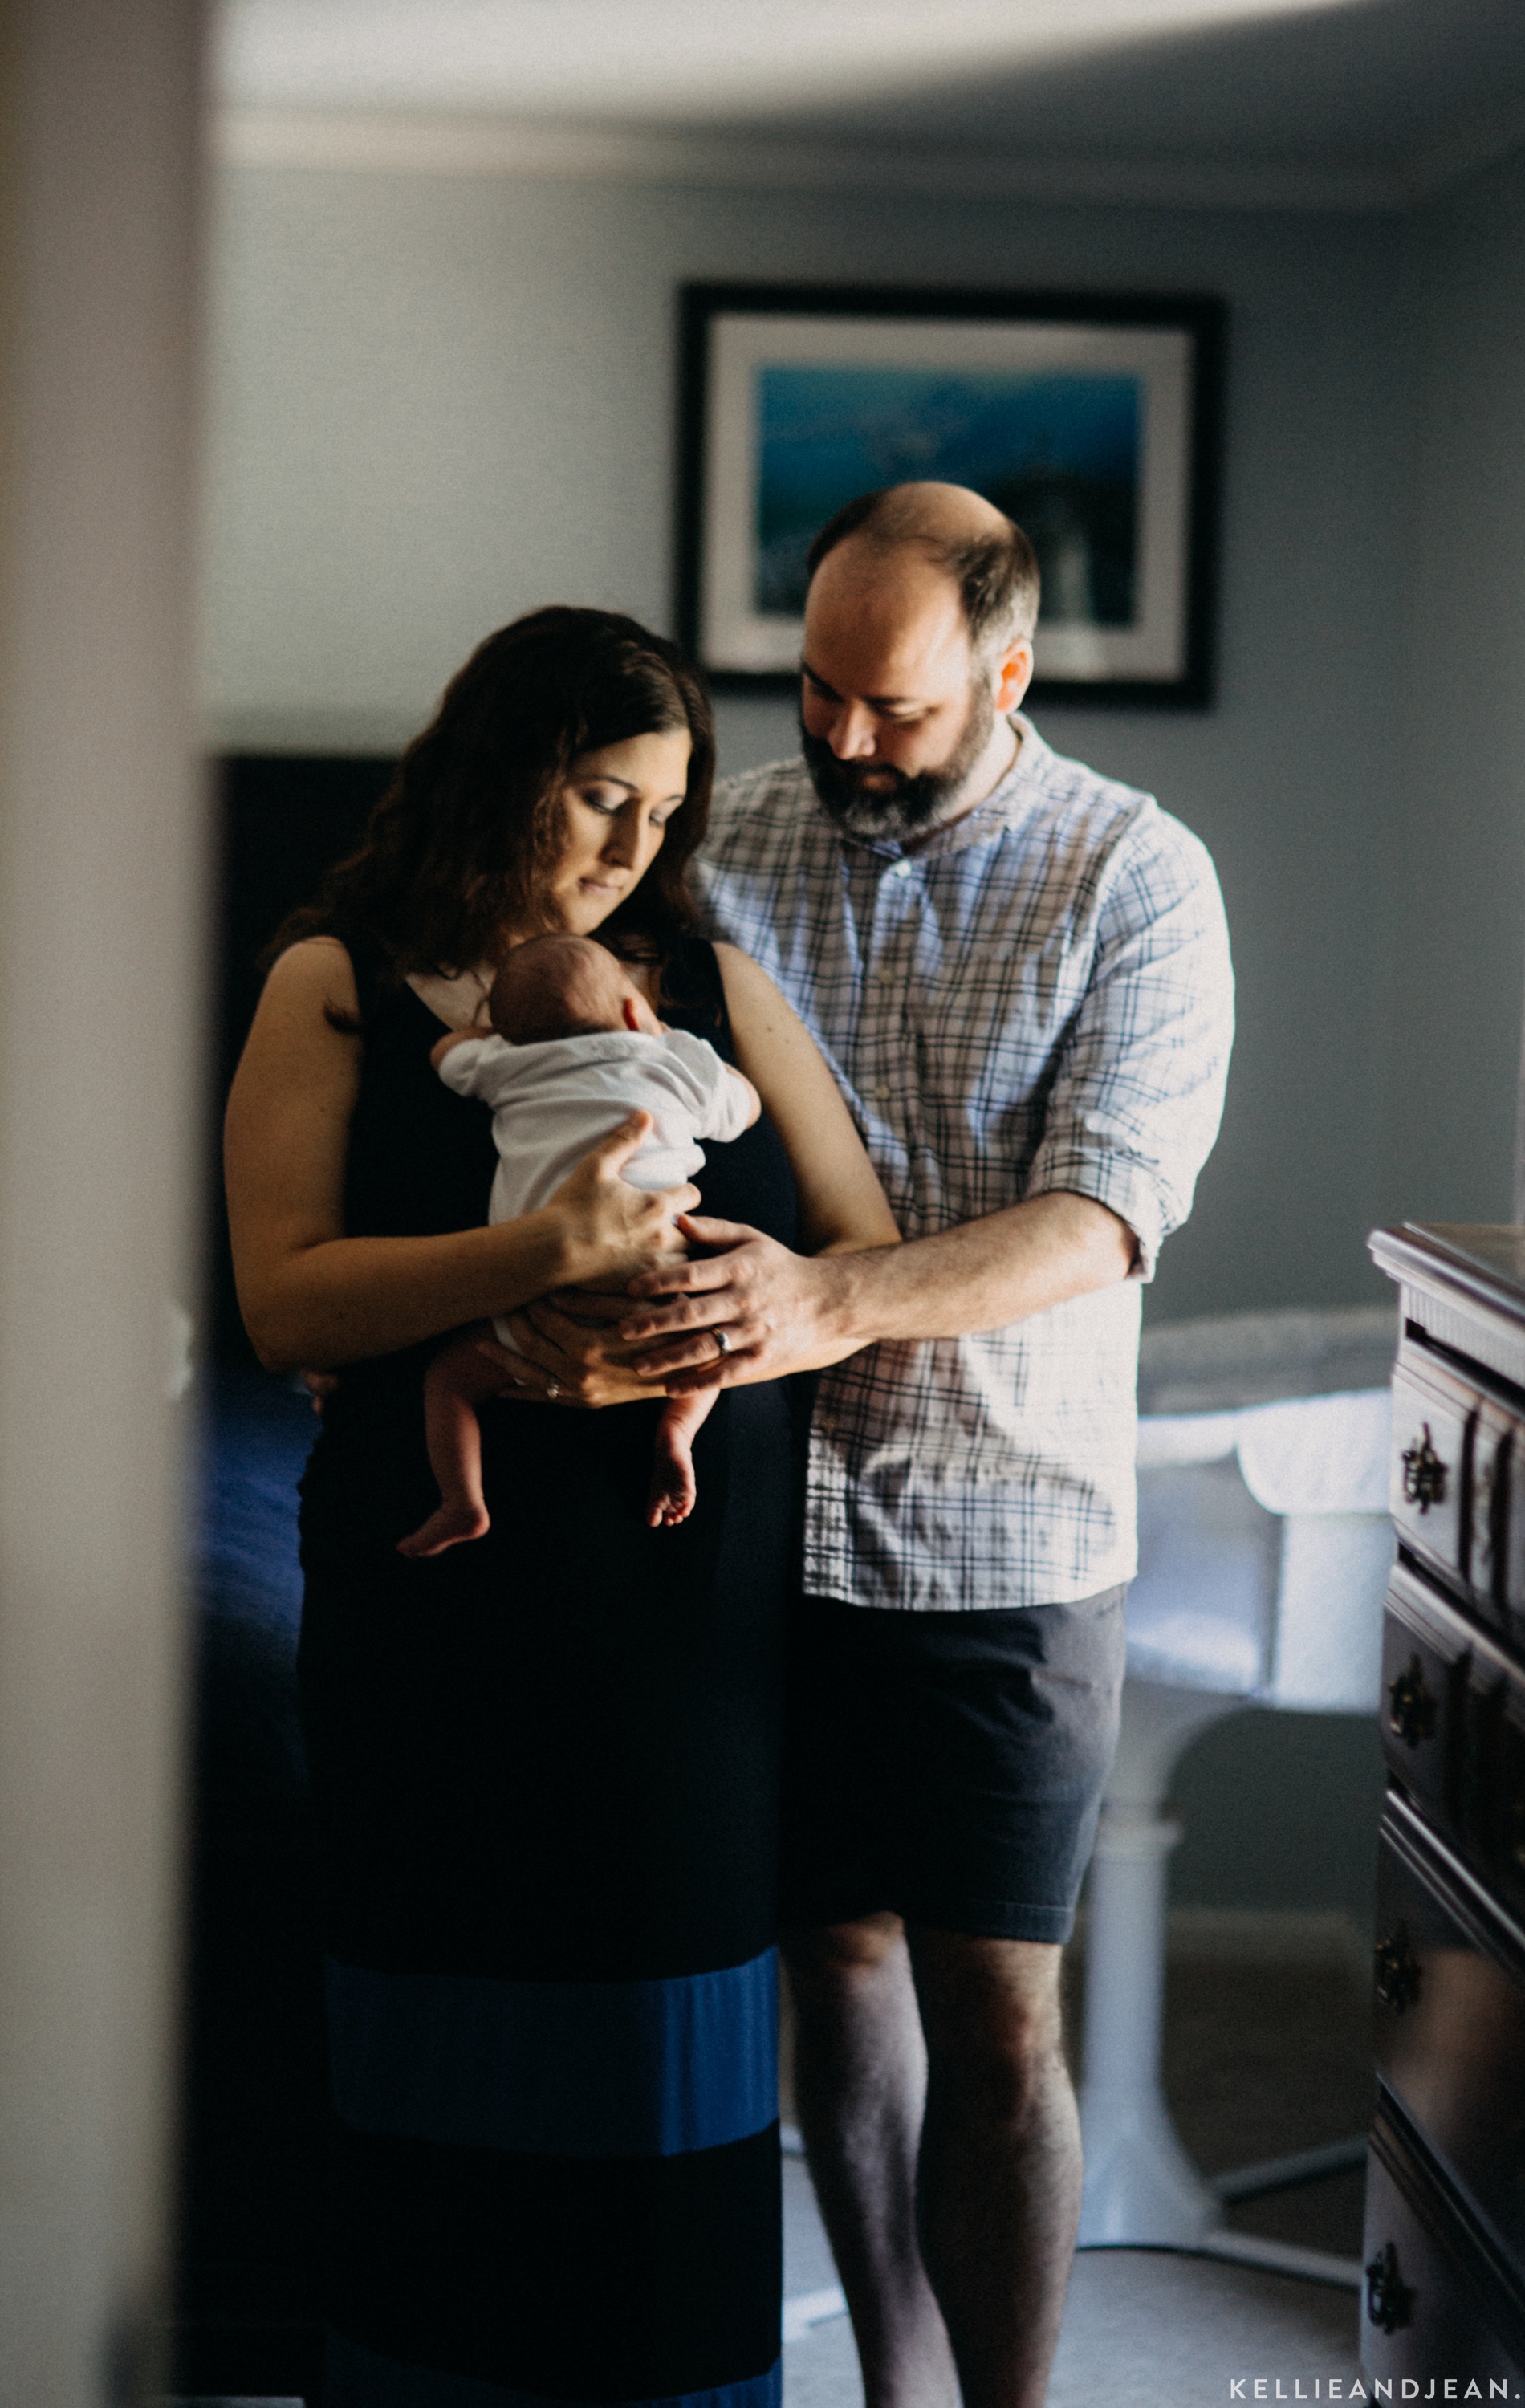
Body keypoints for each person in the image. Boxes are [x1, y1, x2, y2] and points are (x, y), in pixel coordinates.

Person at [506, 488, 1234, 2408]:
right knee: (825, 1964)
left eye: (890, 706)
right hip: (746, 1518)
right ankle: (897, 2392)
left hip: (1001, 1530)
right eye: (811, 685)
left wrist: (835, 1302)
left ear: (1003, 673)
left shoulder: (1135, 877)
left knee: (995, 2009)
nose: (835, 737)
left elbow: (1099, 1218)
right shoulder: (717, 838)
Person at [223, 604, 901, 2408]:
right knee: (439, 2021)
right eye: (600, 797)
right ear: (497, 768)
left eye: (662, 818)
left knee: (662, 2037)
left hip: (685, 1609)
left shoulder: (709, 983)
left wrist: (712, 1331)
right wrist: (537, 1258)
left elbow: (860, 1254)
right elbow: (285, 1301)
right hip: (438, 1603)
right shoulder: (340, 981)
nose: (629, 855)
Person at [399, 930, 760, 1554]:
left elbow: (444, 1053)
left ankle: (462, 1500)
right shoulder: (673, 1061)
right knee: (708, 1352)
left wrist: (495, 1036)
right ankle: (676, 1432)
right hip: (662, 1284)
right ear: (631, 1010)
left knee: (450, 1380)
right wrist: (687, 1050)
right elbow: (746, 1107)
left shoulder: (506, 1066)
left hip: (531, 1300)